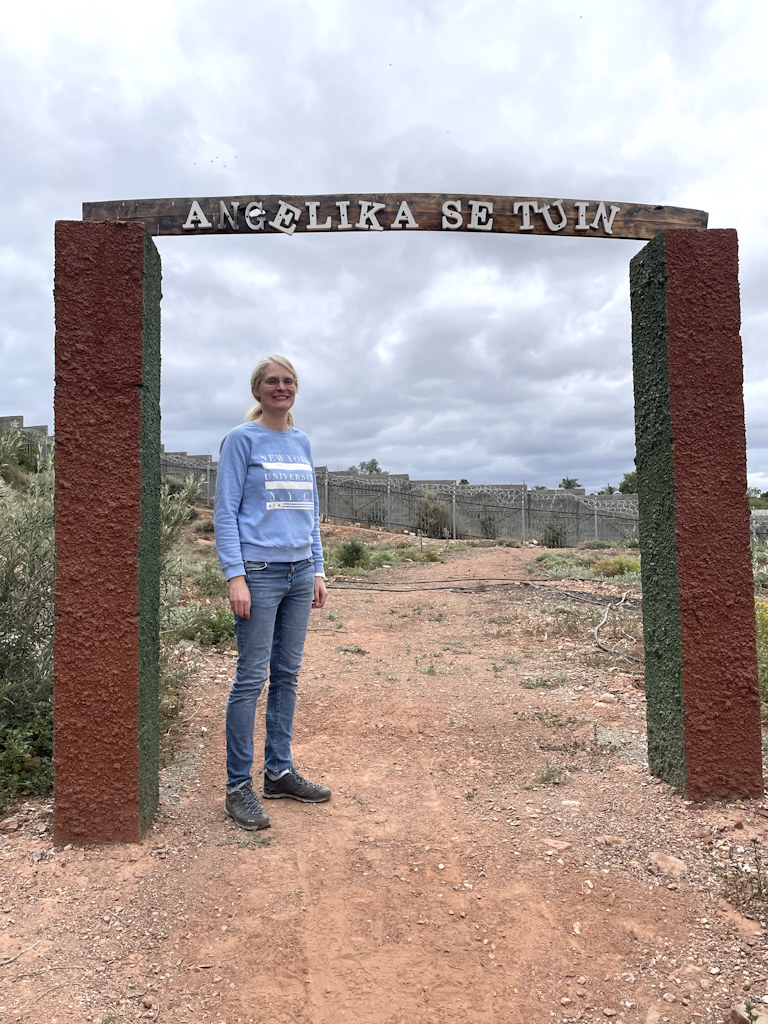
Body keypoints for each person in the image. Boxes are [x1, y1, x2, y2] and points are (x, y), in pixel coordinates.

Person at [214, 354, 330, 830]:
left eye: (288, 382)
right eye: (272, 382)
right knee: (250, 678)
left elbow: (310, 514)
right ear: (257, 390)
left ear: (295, 390)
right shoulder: (241, 440)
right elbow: (225, 512)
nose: (281, 388)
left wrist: (319, 570)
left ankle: (278, 772)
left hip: (300, 572)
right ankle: (238, 785)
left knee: (287, 675)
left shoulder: (300, 441)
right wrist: (234, 576)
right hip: (258, 573)